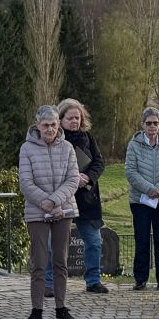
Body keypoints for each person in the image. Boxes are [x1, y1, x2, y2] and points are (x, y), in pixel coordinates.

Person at [19, 104, 81, 319]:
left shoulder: (67, 147)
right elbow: (25, 182)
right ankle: (36, 309)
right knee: (39, 261)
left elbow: (73, 179)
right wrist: (45, 202)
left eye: (53, 125)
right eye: (45, 125)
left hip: (63, 208)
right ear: (38, 125)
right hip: (37, 211)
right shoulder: (27, 148)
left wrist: (55, 201)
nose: (50, 129)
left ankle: (61, 308)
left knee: (61, 261)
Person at [123, 105, 159, 291]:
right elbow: (131, 171)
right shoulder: (133, 145)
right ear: (142, 124)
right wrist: (148, 189)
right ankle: (140, 279)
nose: (152, 126)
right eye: (149, 123)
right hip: (140, 200)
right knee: (142, 240)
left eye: (155, 123)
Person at [58, 98, 109, 295]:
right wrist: (73, 177)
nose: (74, 121)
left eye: (77, 118)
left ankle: (93, 281)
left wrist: (88, 177)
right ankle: (51, 282)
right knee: (57, 244)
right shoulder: (56, 140)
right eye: (70, 118)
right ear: (61, 119)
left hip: (87, 199)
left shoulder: (88, 137)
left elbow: (99, 162)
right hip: (63, 198)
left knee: (94, 242)